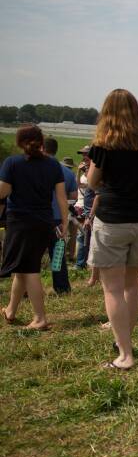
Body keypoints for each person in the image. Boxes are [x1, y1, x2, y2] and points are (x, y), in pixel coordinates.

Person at [86, 89, 138, 370]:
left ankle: (125, 354)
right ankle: (126, 341)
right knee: (132, 284)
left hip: (112, 220)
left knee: (113, 289)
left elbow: (92, 182)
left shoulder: (104, 146)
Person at [0, 125, 68, 330]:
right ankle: (11, 310)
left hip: (20, 222)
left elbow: (3, 192)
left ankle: (40, 318)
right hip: (44, 222)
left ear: (20, 142)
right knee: (22, 267)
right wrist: (64, 223)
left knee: (29, 269)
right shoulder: (53, 166)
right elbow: (61, 198)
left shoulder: (12, 163)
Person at [43, 136, 77, 294]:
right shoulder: (67, 172)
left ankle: (26, 289)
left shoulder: (36, 167)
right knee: (57, 255)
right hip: (59, 219)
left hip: (39, 217)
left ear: (42, 148)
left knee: (33, 255)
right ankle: (62, 287)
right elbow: (74, 196)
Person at [75, 145, 95, 270]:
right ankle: (83, 263)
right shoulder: (86, 170)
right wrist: (78, 171)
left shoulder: (93, 169)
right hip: (85, 208)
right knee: (83, 236)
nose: (84, 157)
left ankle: (83, 264)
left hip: (91, 209)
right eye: (82, 154)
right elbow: (79, 185)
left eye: (86, 154)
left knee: (84, 236)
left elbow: (93, 186)